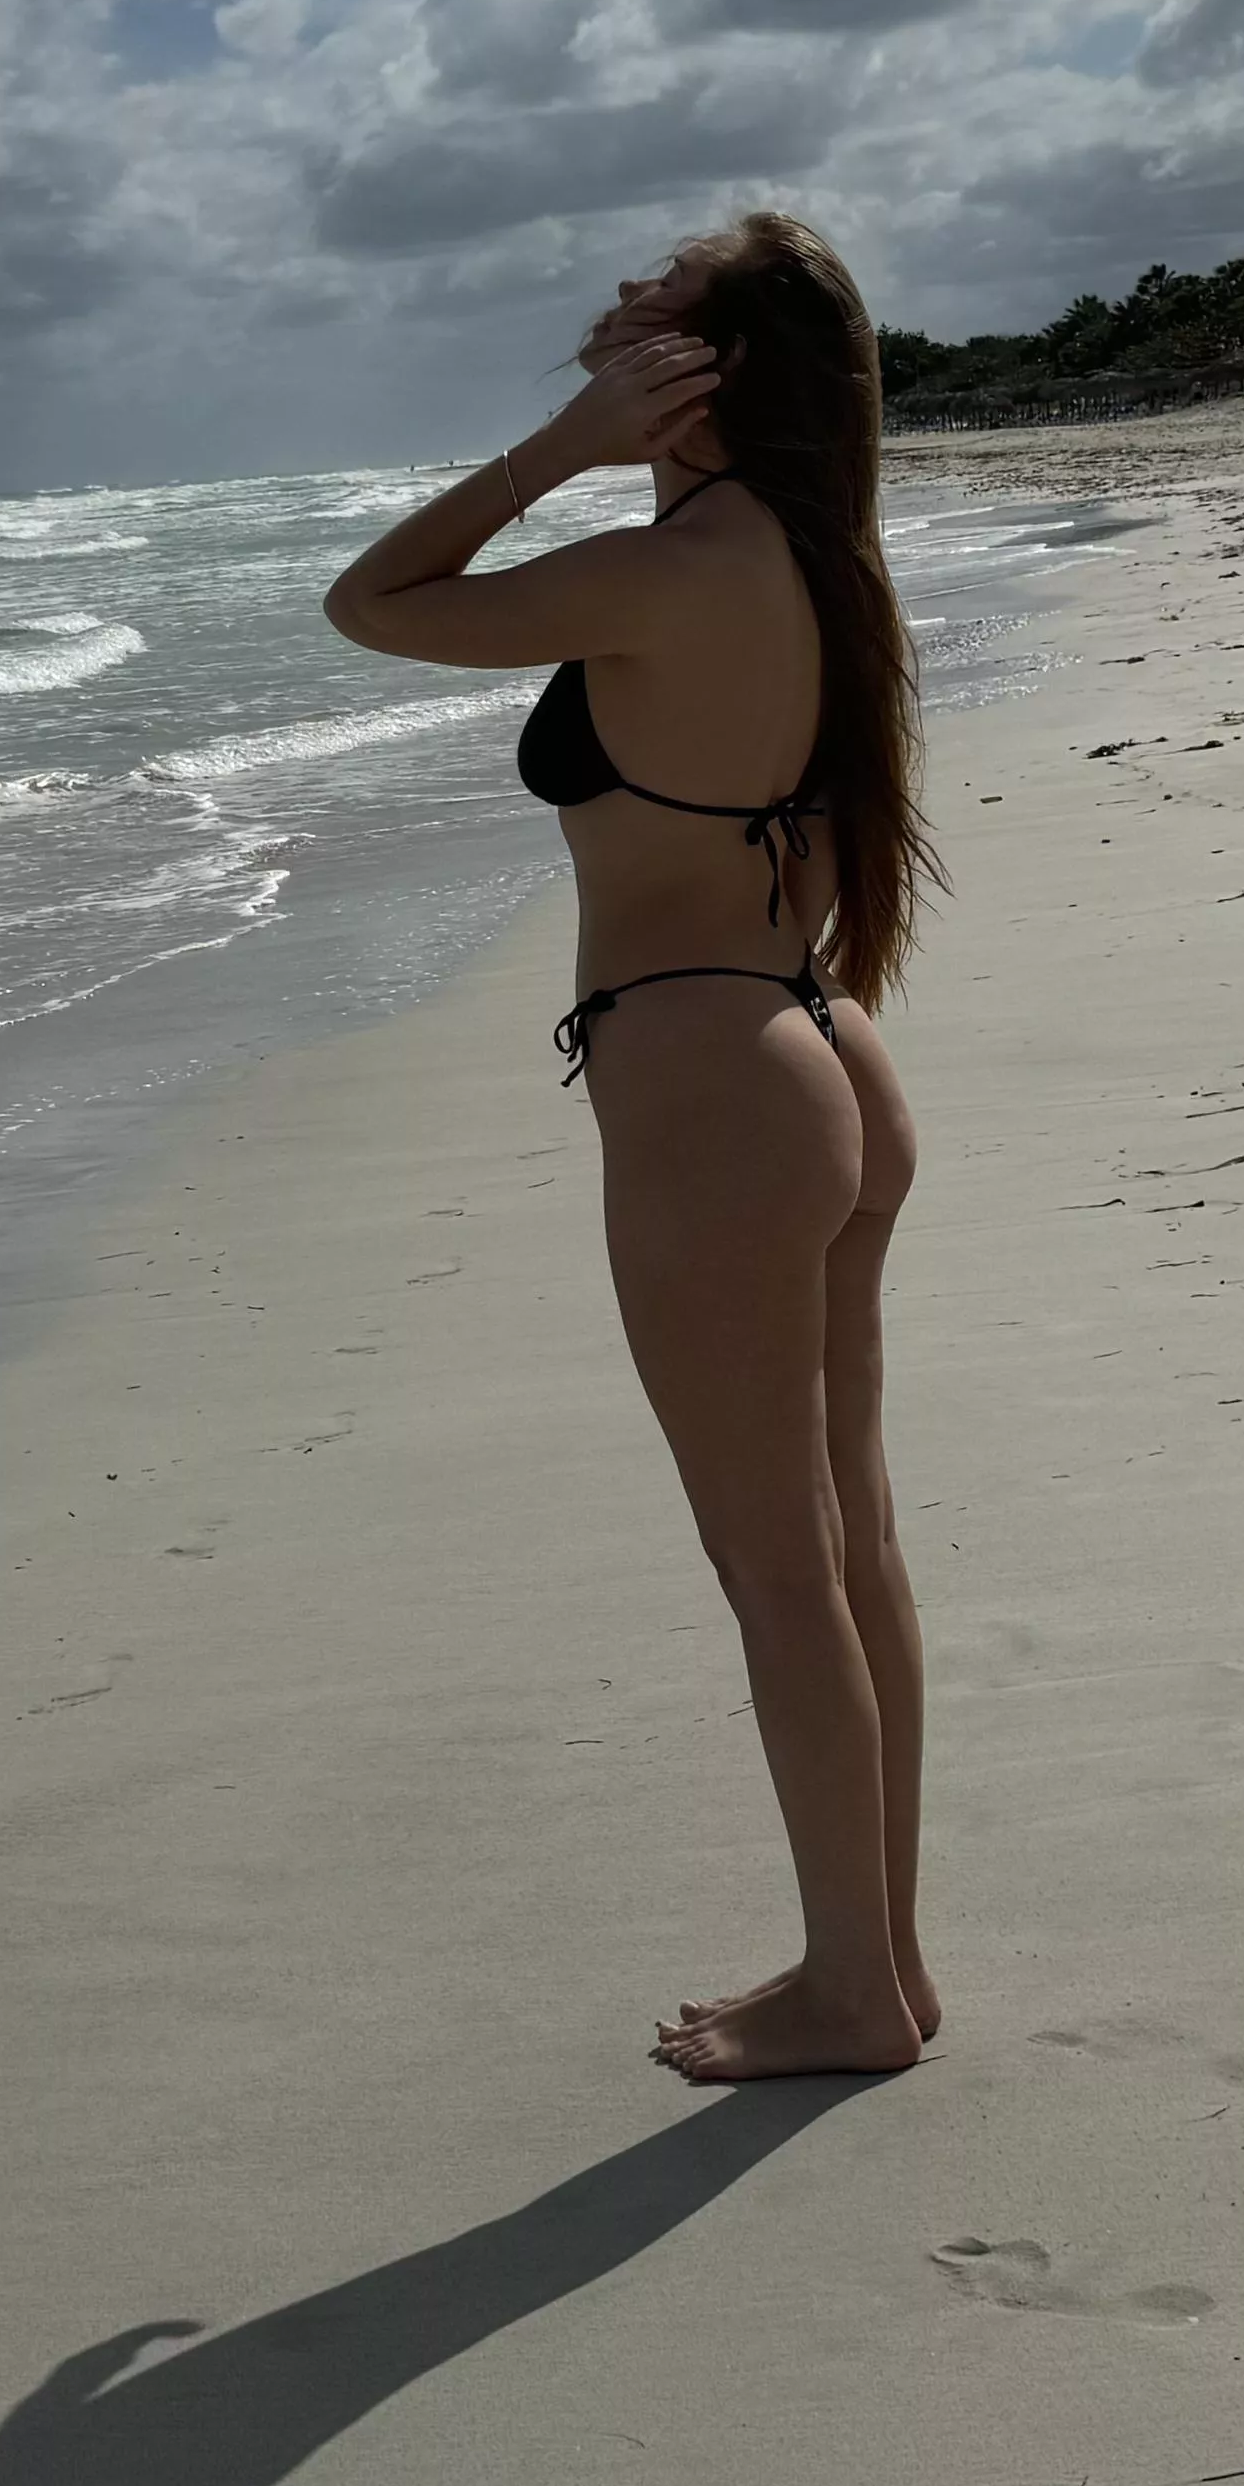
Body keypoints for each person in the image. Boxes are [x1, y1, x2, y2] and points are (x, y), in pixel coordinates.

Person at [324, 210, 941, 2083]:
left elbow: (371, 601)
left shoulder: (673, 565)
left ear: (712, 367)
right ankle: (882, 1961)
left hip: (716, 1086)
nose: (608, 312)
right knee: (848, 1545)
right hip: (815, 1050)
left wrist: (558, 454)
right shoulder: (815, 561)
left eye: (653, 308)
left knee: (780, 1566)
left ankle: (852, 1993)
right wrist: (622, 445)